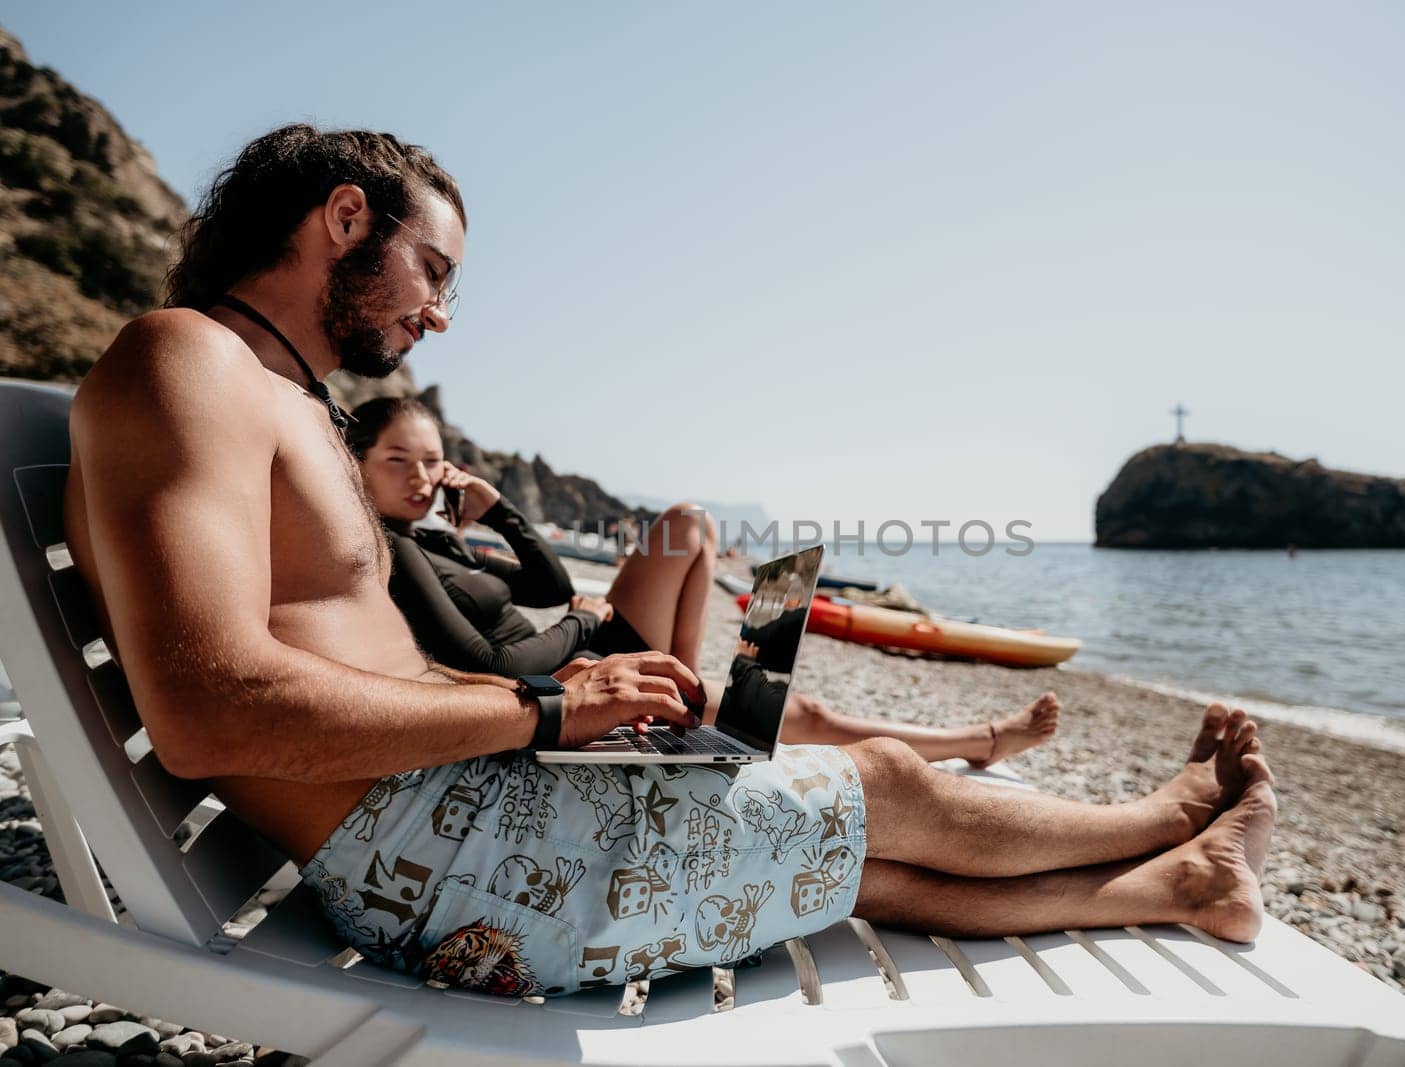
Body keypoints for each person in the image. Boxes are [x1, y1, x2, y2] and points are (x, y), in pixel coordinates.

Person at [62, 123, 1277, 1000]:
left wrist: (567, 719)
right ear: (342, 217)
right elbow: (207, 711)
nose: (438, 313)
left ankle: (1183, 883)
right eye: (435, 270)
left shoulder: (273, 399)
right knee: (890, 783)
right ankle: (1162, 817)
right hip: (455, 871)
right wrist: (544, 707)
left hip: (450, 834)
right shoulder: (187, 361)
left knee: (844, 853)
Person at [348, 395, 1062, 767]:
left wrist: (499, 510)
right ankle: (979, 738)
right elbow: (492, 663)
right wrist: (588, 623)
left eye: (432, 461)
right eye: (396, 461)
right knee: (793, 711)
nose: (420, 477)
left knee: (688, 522)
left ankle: (687, 696)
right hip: (559, 680)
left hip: (579, 651)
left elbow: (546, 583)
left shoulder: (429, 537)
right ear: (355, 464)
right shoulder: (390, 549)